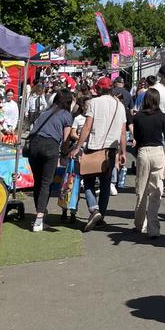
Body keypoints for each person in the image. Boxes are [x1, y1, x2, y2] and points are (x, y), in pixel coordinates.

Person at [69, 76, 127, 232]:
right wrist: (123, 152)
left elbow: (87, 126)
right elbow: (123, 132)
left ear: (100, 89)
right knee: (105, 184)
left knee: (87, 180)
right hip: (111, 149)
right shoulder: (119, 105)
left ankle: (94, 209)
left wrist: (78, 146)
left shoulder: (94, 103)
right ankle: (101, 215)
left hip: (94, 147)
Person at [26, 88, 74, 232]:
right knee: (46, 183)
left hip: (33, 146)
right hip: (50, 146)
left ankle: (39, 213)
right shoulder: (66, 115)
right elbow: (66, 139)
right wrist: (65, 152)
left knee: (38, 182)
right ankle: (39, 219)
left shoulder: (45, 112)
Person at [129, 87, 165, 239]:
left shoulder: (138, 117)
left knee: (141, 190)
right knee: (156, 190)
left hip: (144, 152)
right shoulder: (162, 116)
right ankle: (153, 228)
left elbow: (137, 137)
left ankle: (140, 224)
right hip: (158, 152)